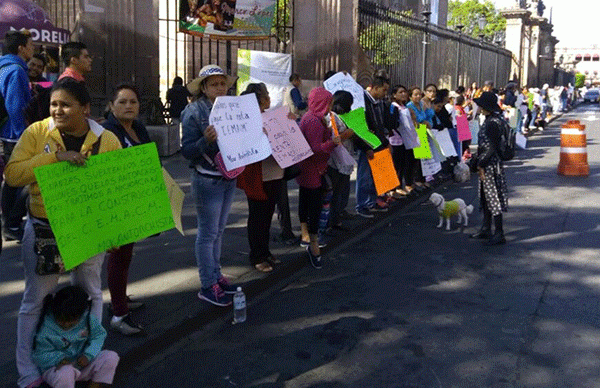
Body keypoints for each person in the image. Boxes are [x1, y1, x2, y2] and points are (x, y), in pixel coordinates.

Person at [6, 79, 122, 388]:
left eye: (66, 104)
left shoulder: (107, 139)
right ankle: (29, 371)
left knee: (92, 294)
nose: (57, 110)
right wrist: (54, 159)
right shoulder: (37, 133)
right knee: (35, 301)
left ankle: (87, 356)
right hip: (44, 231)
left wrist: (112, 232)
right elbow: (13, 174)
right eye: (54, 104)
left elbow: (118, 190)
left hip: (90, 231)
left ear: (85, 109)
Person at [181, 64, 239, 306]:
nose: (220, 88)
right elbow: (187, 151)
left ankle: (216, 275)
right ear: (204, 88)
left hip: (228, 177)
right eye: (214, 84)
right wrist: (205, 140)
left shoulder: (233, 108)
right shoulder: (193, 112)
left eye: (222, 83)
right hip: (206, 179)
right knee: (207, 234)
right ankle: (207, 284)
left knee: (219, 230)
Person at [102, 84, 151, 335]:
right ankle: (119, 314)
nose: (128, 106)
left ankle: (120, 299)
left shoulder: (139, 128)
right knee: (118, 257)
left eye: (133, 101)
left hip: (134, 200)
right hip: (116, 204)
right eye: (122, 102)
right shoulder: (107, 132)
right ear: (111, 106)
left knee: (126, 255)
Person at [32, 285, 119, 388]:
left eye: (71, 321)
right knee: (65, 373)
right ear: (54, 312)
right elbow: (39, 355)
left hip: (81, 365)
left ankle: (94, 384)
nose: (66, 324)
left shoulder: (87, 319)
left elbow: (98, 336)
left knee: (111, 357)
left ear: (81, 314)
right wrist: (58, 360)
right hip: (56, 369)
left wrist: (88, 355)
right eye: (60, 320)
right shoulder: (46, 328)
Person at [236, 83, 283, 273]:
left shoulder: (272, 117)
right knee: (258, 217)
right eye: (266, 95)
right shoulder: (247, 121)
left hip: (274, 173)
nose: (269, 99)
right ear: (260, 99)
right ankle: (257, 255)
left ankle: (265, 252)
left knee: (267, 214)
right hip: (258, 176)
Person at [297, 87, 340, 269]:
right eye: (329, 102)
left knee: (305, 202)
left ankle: (306, 234)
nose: (330, 106)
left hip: (308, 169)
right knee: (313, 205)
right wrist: (333, 143)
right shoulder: (314, 121)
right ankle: (313, 242)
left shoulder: (310, 117)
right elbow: (315, 148)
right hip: (312, 169)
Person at [0, 30, 34, 243]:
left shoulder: (4, 67)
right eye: (31, 45)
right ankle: (11, 223)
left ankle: (9, 223)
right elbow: (16, 107)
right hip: (15, 134)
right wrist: (27, 134)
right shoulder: (16, 70)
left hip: (8, 133)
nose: (33, 49)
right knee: (20, 180)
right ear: (21, 48)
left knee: (12, 180)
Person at [470, 91, 508, 246]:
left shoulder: (492, 122)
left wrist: (480, 163)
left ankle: (499, 232)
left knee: (493, 198)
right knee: (486, 198)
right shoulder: (493, 119)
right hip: (489, 163)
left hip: (490, 165)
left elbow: (491, 147)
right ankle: (486, 228)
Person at [354, 70, 391, 218]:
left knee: (376, 176)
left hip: (379, 144)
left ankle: (372, 201)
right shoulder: (362, 101)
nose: (385, 93)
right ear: (374, 87)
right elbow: (360, 127)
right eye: (384, 90)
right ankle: (362, 205)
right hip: (367, 146)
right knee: (364, 176)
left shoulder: (379, 103)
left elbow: (380, 124)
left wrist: (385, 142)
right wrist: (366, 147)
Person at [326, 90, 355, 229]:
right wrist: (346, 134)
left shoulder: (345, 116)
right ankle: (332, 220)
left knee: (341, 189)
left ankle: (337, 216)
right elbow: (333, 137)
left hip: (345, 157)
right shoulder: (332, 116)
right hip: (336, 159)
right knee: (335, 191)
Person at [390, 85, 417, 196]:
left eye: (405, 92)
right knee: (396, 164)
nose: (403, 94)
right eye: (400, 92)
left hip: (406, 140)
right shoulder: (393, 106)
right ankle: (395, 187)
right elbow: (393, 122)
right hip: (396, 140)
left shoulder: (405, 107)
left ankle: (405, 184)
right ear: (394, 95)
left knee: (405, 163)